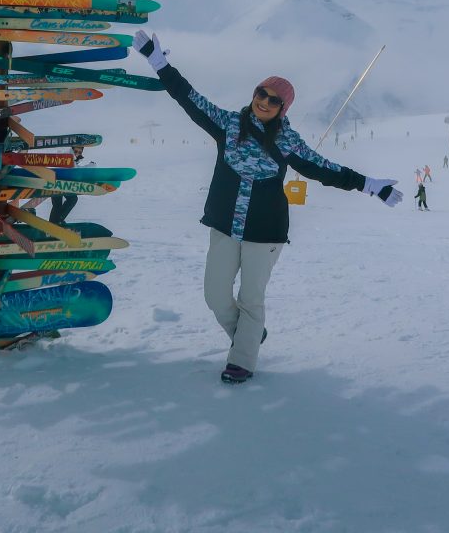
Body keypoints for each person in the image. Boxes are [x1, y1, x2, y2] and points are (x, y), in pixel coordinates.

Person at [134, 30, 401, 386]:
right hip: (225, 225)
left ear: (282, 109)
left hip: (266, 231)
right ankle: (249, 333)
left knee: (251, 298)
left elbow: (323, 168)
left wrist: (369, 185)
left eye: (274, 100)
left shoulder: (287, 141)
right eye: (262, 93)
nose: (265, 101)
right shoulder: (228, 125)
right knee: (215, 294)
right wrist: (158, 61)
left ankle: (242, 360)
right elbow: (190, 98)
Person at [49, 145, 93, 225]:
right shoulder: (68, 156)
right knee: (66, 202)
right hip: (56, 182)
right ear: (72, 149)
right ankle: (55, 223)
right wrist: (91, 166)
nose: (77, 153)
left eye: (79, 152)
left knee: (65, 202)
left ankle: (56, 222)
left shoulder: (73, 158)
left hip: (61, 183)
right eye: (76, 151)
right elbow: (76, 170)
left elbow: (74, 169)